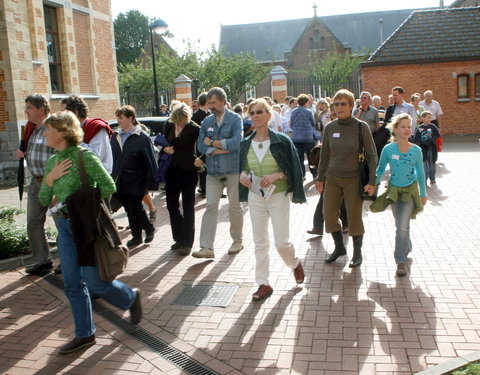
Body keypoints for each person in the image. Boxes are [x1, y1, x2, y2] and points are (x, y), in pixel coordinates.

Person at [38, 111, 142, 354]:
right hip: (64, 227)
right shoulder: (53, 161)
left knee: (95, 282)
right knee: (72, 284)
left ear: (63, 131)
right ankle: (85, 334)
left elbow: (108, 186)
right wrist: (50, 180)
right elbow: (44, 198)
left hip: (86, 226)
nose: (44, 133)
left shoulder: (84, 156)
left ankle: (129, 298)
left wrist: (82, 203)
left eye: (48, 129)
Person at [239, 98, 306, 301]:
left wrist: (277, 175)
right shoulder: (245, 143)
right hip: (255, 197)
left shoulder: (282, 141)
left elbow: (296, 169)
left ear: (269, 115)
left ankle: (294, 263)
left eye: (260, 112)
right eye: (252, 113)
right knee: (260, 242)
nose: (256, 116)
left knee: (281, 242)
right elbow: (243, 168)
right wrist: (242, 174)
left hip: (278, 196)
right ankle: (263, 283)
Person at [316, 89, 377, 268]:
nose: (340, 107)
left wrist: (372, 180)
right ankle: (339, 248)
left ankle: (357, 253)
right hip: (332, 178)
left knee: (354, 217)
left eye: (344, 103)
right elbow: (324, 156)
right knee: (328, 214)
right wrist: (320, 178)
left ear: (351, 106)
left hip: (354, 179)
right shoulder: (330, 127)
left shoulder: (361, 127)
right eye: (337, 104)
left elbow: (372, 155)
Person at [191, 87, 244, 259]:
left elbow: (237, 142)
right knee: (210, 207)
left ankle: (237, 240)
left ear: (222, 101)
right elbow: (200, 145)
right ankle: (207, 247)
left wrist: (213, 143)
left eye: (214, 102)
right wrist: (219, 149)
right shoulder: (206, 122)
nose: (211, 106)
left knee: (235, 206)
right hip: (213, 172)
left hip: (233, 170)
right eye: (209, 103)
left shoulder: (235, 119)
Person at [372, 113, 427, 276]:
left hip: (409, 192)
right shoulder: (389, 149)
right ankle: (407, 245)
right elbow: (380, 169)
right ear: (395, 129)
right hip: (394, 191)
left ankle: (400, 261)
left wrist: (423, 194)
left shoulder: (416, 150)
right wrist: (372, 185)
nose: (406, 129)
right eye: (403, 126)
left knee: (402, 226)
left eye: (409, 127)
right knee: (400, 225)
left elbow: (421, 173)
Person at [16, 94, 55, 275]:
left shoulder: (53, 126)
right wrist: (21, 152)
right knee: (33, 222)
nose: (26, 111)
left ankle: (68, 261)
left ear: (41, 109)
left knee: (62, 222)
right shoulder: (30, 129)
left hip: (53, 183)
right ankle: (42, 261)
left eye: (29, 107)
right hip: (35, 182)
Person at [110, 105, 158, 248]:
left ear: (130, 118)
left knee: (135, 206)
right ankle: (136, 236)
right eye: (117, 117)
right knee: (128, 208)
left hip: (137, 179)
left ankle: (148, 229)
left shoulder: (141, 137)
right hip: (120, 179)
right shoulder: (116, 136)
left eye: (121, 117)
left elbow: (151, 159)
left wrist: (151, 181)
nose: (118, 120)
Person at [163, 103, 200, 255]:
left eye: (182, 120)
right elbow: (164, 142)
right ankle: (178, 238)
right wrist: (165, 149)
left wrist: (200, 160)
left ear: (187, 117)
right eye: (177, 120)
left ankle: (187, 242)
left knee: (188, 205)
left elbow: (201, 149)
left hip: (189, 170)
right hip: (172, 169)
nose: (180, 123)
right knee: (171, 205)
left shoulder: (195, 128)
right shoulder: (169, 126)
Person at [60, 95, 113, 172]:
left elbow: (95, 156)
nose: (62, 118)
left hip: (98, 179)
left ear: (76, 112)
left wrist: (73, 139)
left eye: (65, 113)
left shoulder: (97, 127)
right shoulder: (73, 129)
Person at [290, 93, 317, 178]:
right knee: (311, 156)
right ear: (306, 102)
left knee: (299, 157)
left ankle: (302, 175)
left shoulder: (293, 112)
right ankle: (314, 173)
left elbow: (291, 124)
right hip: (308, 137)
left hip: (296, 138)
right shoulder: (308, 112)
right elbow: (313, 123)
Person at [413, 111, 440, 184]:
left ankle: (432, 178)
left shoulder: (432, 126)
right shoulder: (420, 128)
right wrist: (422, 142)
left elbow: (437, 135)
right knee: (424, 164)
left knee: (432, 163)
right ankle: (424, 179)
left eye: (430, 118)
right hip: (423, 148)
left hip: (431, 147)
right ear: (423, 118)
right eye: (428, 118)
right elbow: (416, 138)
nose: (429, 119)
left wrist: (432, 140)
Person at [192, 92, 210, 198]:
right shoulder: (196, 115)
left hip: (211, 145)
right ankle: (204, 190)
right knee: (203, 170)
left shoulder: (209, 114)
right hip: (201, 146)